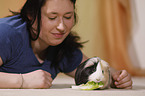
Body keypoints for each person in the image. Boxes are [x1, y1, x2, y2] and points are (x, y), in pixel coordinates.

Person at [0, 0, 132, 89]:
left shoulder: (61, 46)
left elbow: (96, 71)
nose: (62, 27)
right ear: (30, 15)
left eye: (68, 17)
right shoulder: (7, 33)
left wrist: (118, 78)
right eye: (52, 17)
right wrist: (23, 81)